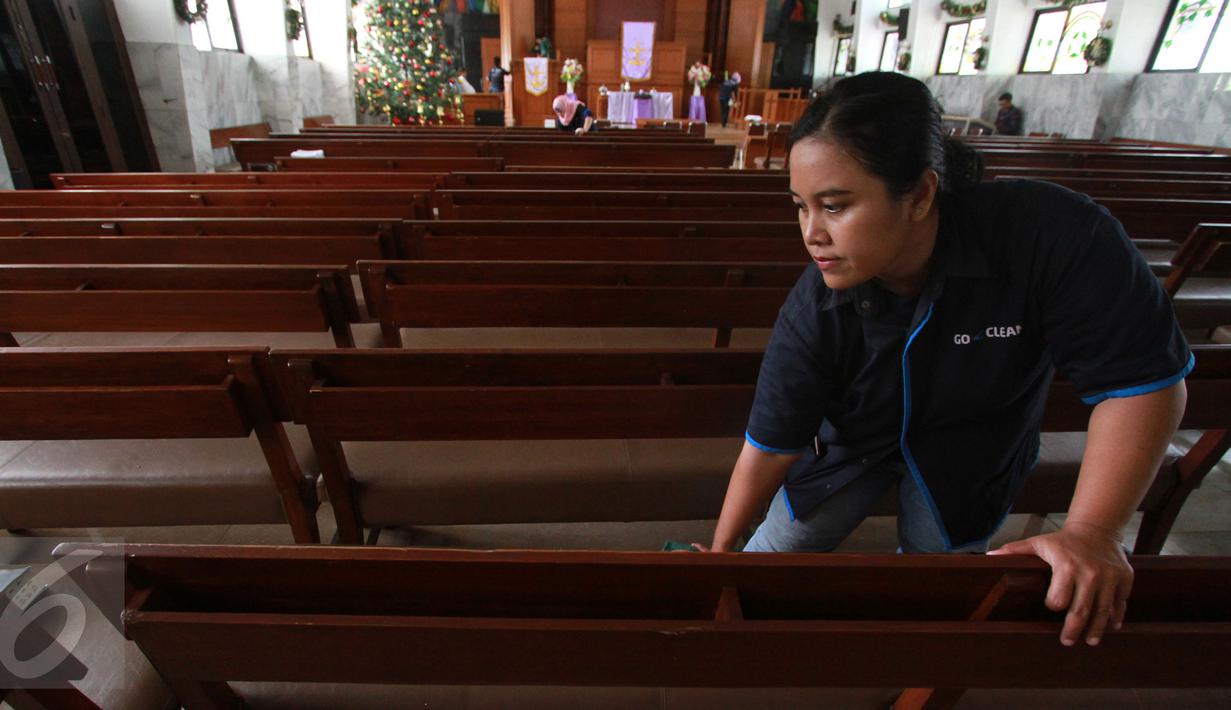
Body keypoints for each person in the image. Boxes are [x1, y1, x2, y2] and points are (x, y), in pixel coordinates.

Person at [692, 72, 1191, 650]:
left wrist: (1092, 531)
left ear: (921, 194)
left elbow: (1141, 378)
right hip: (850, 441)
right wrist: (723, 554)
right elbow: (773, 440)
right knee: (776, 548)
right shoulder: (817, 302)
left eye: (834, 206)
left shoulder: (1049, 236)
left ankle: (914, 667)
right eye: (801, 207)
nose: (812, 234)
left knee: (940, 586)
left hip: (975, 445)